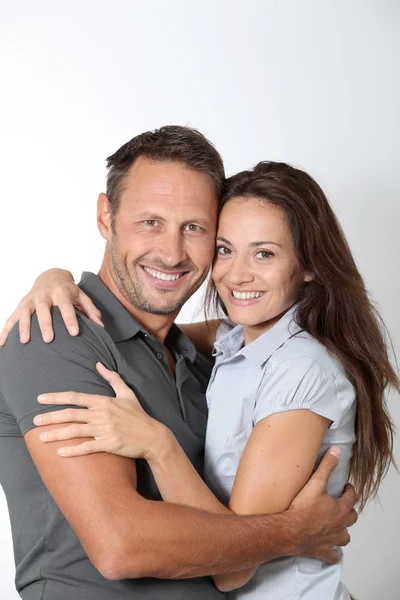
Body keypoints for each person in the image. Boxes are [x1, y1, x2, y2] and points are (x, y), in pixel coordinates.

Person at [0, 127, 358, 600]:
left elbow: (236, 335)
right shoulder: (53, 337)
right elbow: (119, 546)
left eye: (194, 228)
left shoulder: (207, 360)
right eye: (151, 221)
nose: (170, 252)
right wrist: (293, 531)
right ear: (106, 216)